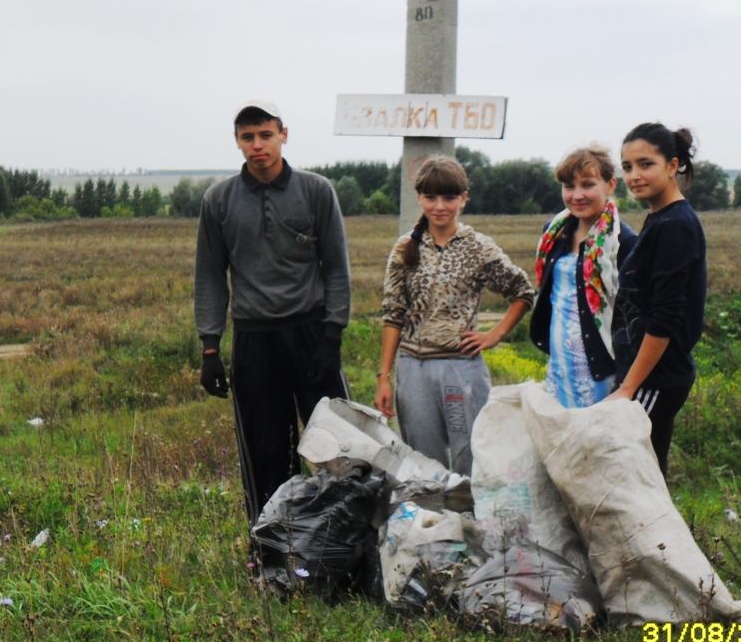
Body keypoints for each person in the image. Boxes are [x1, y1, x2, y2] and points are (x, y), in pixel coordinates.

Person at [194, 99, 352, 522]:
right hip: (253, 338)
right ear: (237, 143)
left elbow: (336, 266)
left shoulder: (316, 191)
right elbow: (210, 275)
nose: (258, 145)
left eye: (266, 134)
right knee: (265, 450)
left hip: (311, 333)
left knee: (337, 444)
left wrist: (333, 334)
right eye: (248, 137)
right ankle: (273, 548)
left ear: (284, 134)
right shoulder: (219, 200)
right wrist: (210, 347)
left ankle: (347, 539)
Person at [373, 156, 534, 476]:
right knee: (422, 463)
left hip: (461, 368)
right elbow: (393, 313)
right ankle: (432, 525)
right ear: (419, 197)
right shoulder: (405, 248)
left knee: (470, 458)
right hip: (414, 370)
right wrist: (384, 377)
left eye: (449, 197)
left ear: (464, 199)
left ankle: (472, 525)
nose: (439, 206)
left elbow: (522, 292)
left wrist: (494, 335)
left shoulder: (478, 247)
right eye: (430, 197)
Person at [605, 123, 706, 479]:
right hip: (647, 376)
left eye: (646, 164)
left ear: (672, 165)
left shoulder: (673, 226)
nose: (634, 175)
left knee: (626, 477)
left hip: (655, 380)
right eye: (628, 166)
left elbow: (665, 318)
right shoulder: (660, 219)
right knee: (646, 477)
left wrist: (629, 388)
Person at [530, 146, 638, 407]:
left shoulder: (625, 242)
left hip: (599, 368)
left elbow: (632, 316)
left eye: (588, 185)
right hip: (559, 364)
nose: (577, 195)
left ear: (610, 185)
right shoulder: (554, 232)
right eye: (569, 186)